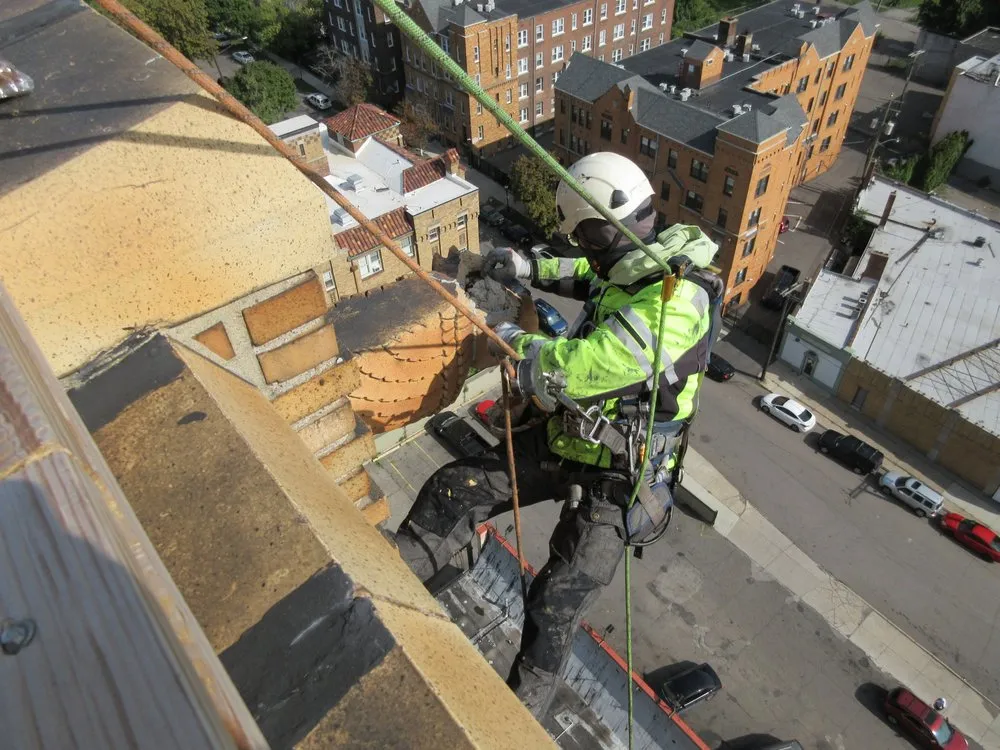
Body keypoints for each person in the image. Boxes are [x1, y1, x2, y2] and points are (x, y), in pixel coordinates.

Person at [394, 152, 724, 717]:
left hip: (620, 479)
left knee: (554, 604)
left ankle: (517, 719)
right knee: (459, 486)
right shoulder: (638, 264)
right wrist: (523, 267)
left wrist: (510, 338)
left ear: (606, 229)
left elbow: (587, 365)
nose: (587, 252)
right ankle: (393, 578)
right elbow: (584, 274)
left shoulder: (678, 299)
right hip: (571, 440)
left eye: (589, 239)